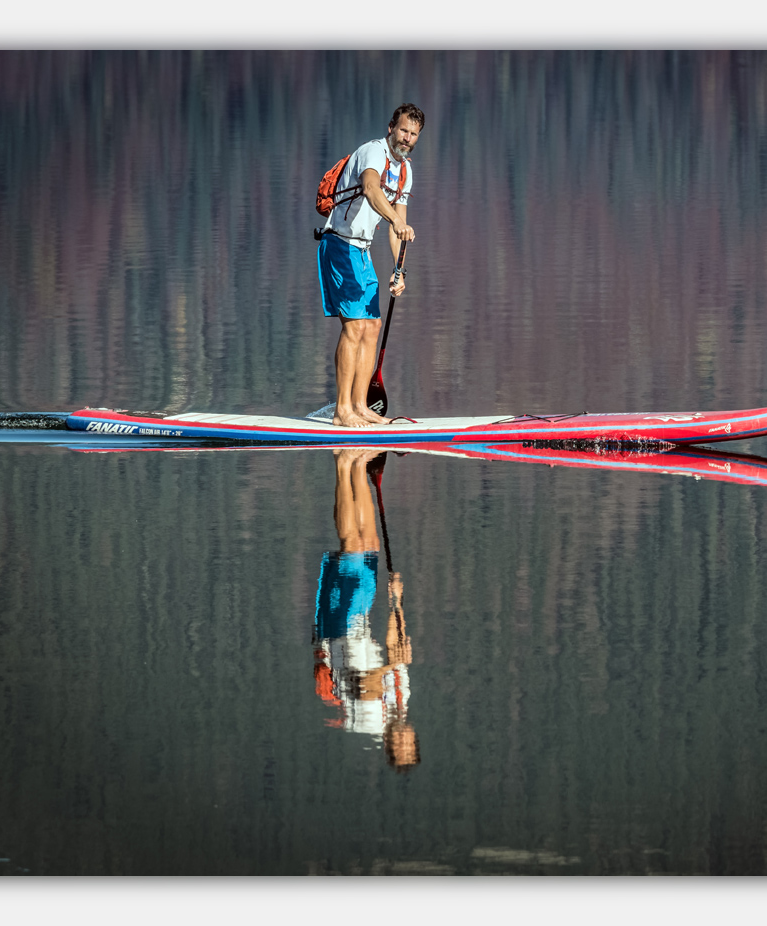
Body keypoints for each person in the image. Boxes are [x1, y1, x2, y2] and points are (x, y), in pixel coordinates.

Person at [311, 448, 419, 772]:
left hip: (338, 633)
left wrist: (394, 664)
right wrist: (396, 600)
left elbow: (366, 684)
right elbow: (394, 646)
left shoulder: (371, 723)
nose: (403, 740)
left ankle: (342, 463)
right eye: (409, 744)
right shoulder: (401, 700)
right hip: (360, 623)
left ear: (388, 746)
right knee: (370, 546)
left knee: (353, 548)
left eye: (399, 748)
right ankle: (359, 462)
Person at [316, 104, 424, 428]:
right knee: (354, 327)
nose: (407, 138)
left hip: (361, 251)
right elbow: (371, 189)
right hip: (339, 244)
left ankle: (361, 406)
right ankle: (342, 411)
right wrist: (395, 220)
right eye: (403, 130)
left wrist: (399, 270)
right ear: (391, 127)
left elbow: (397, 227)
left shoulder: (404, 172)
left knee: (372, 327)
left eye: (413, 134)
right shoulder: (373, 153)